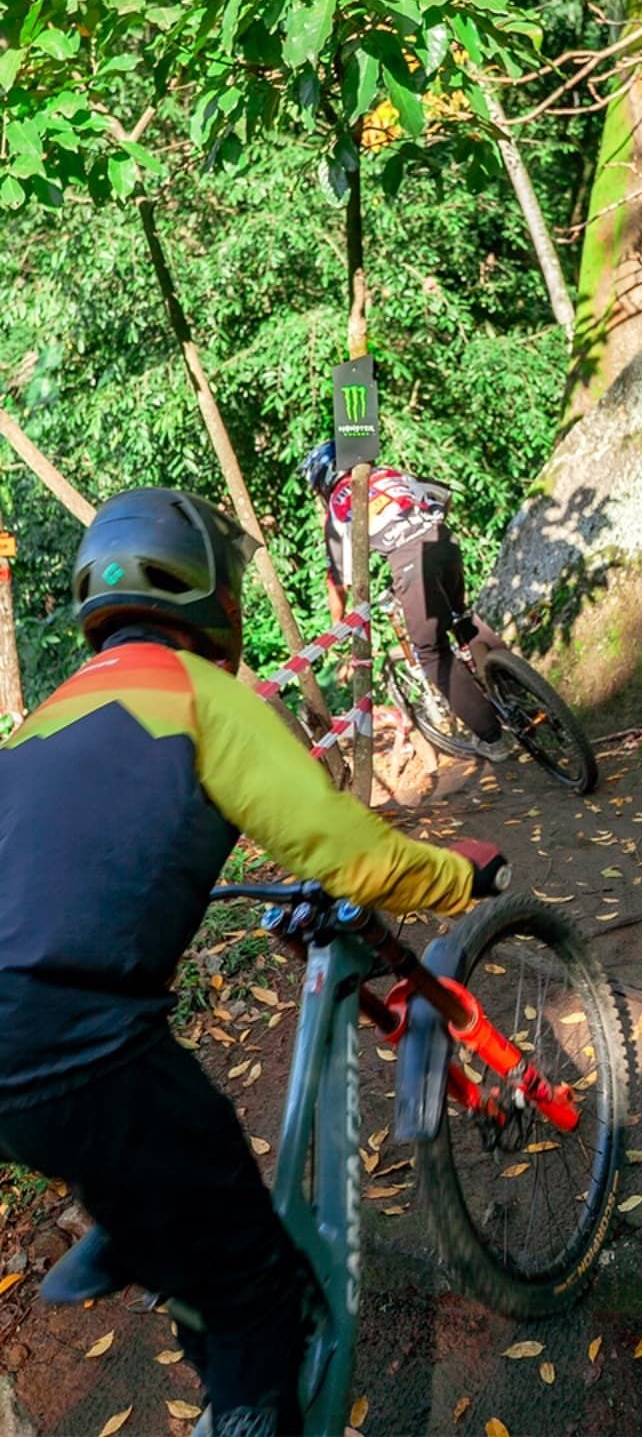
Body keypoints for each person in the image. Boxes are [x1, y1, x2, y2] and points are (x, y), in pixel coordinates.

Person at [0, 489, 510, 1436]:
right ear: (216, 598)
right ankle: (250, 1403)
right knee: (252, 1288)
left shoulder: (30, 733)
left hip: (22, 1062)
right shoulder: (200, 695)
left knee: (147, 1160)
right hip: (79, 1040)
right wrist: (452, 879)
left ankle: (146, 1232)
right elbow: (343, 850)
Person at [298, 441, 507, 758]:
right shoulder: (388, 474)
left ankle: (492, 738)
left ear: (324, 479)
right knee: (462, 617)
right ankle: (519, 692)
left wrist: (338, 623)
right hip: (445, 542)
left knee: (431, 651)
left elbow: (338, 579)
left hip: (409, 561)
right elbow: (443, 496)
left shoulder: (339, 505)